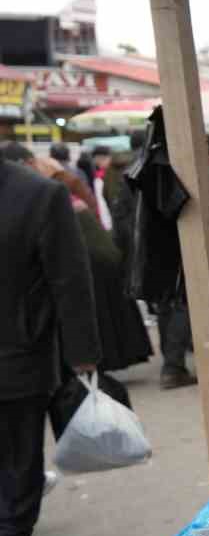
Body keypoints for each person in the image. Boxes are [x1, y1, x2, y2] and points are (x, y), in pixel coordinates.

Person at [0, 144, 100, 536]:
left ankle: (11, 534)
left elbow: (70, 277)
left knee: (19, 445)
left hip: (20, 346)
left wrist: (83, 354)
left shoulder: (39, 195)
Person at [27, 156, 153, 375]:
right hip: (103, 254)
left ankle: (100, 364)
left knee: (99, 314)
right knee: (111, 313)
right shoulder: (66, 185)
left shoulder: (53, 191)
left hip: (90, 258)